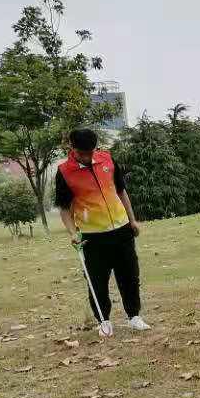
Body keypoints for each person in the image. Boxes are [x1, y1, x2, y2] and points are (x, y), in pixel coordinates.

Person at [55, 128, 151, 336]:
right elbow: (63, 208)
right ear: (72, 148)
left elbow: (121, 191)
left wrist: (132, 220)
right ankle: (104, 321)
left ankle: (134, 316)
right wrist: (72, 233)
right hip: (92, 235)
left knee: (130, 275)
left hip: (121, 229)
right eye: (82, 153)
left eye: (91, 152)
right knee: (97, 281)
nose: (88, 157)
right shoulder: (64, 172)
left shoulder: (107, 159)